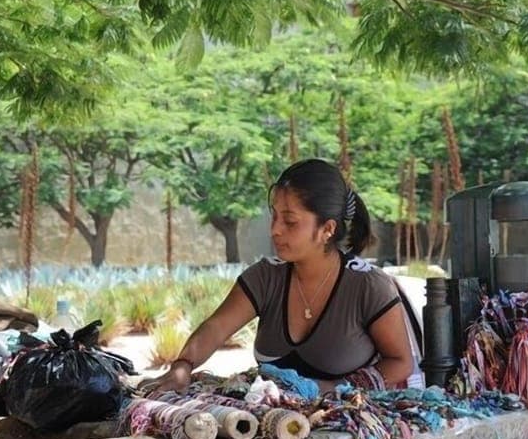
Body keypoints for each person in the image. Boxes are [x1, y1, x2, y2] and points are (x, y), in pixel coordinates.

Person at [147, 158, 415, 394]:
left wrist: (338, 390)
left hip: (351, 436)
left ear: (327, 229)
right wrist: (183, 366)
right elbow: (216, 329)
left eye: (290, 221)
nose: (275, 230)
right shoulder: (265, 277)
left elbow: (401, 362)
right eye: (274, 217)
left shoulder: (368, 285)